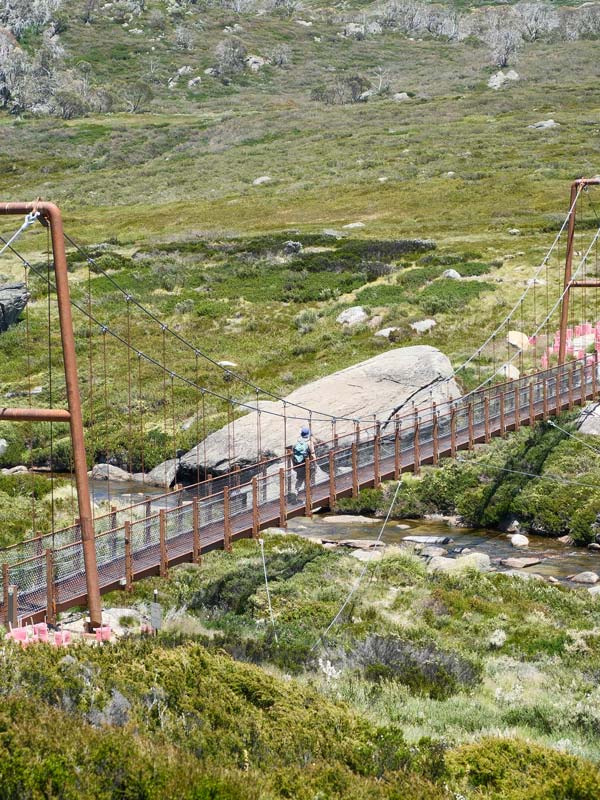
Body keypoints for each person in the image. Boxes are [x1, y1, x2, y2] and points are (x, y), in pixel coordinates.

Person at [291, 426, 314, 498]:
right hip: (306, 465)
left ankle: (295, 493)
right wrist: (314, 464)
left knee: (300, 479)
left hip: (298, 465)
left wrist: (294, 466)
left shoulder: (296, 443)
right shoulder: (309, 443)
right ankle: (307, 495)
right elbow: (312, 455)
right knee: (308, 479)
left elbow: (293, 455)